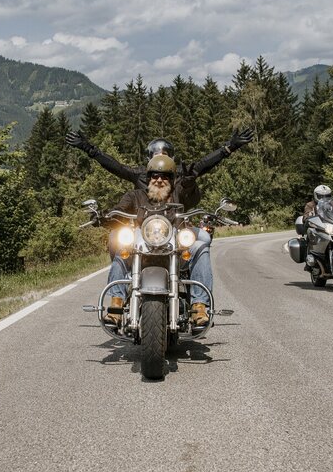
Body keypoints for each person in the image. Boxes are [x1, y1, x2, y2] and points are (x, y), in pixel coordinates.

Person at [103, 154, 214, 327]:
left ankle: (199, 306)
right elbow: (119, 211)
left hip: (174, 248)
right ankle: (116, 303)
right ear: (148, 178)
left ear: (172, 179)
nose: (159, 180)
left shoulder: (179, 193)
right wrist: (107, 217)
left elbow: (192, 197)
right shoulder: (136, 196)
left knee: (200, 247)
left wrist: (191, 184)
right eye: (155, 176)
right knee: (121, 248)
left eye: (165, 176)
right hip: (142, 247)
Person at [64, 128, 254, 210]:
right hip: (144, 228)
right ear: (149, 157)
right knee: (116, 243)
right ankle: (118, 291)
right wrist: (89, 149)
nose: (160, 156)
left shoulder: (183, 173)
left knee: (202, 243)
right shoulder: (139, 174)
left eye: (164, 153)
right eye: (155, 153)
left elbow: (204, 163)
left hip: (176, 226)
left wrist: (229, 147)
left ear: (171, 157)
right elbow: (116, 167)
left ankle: (200, 294)